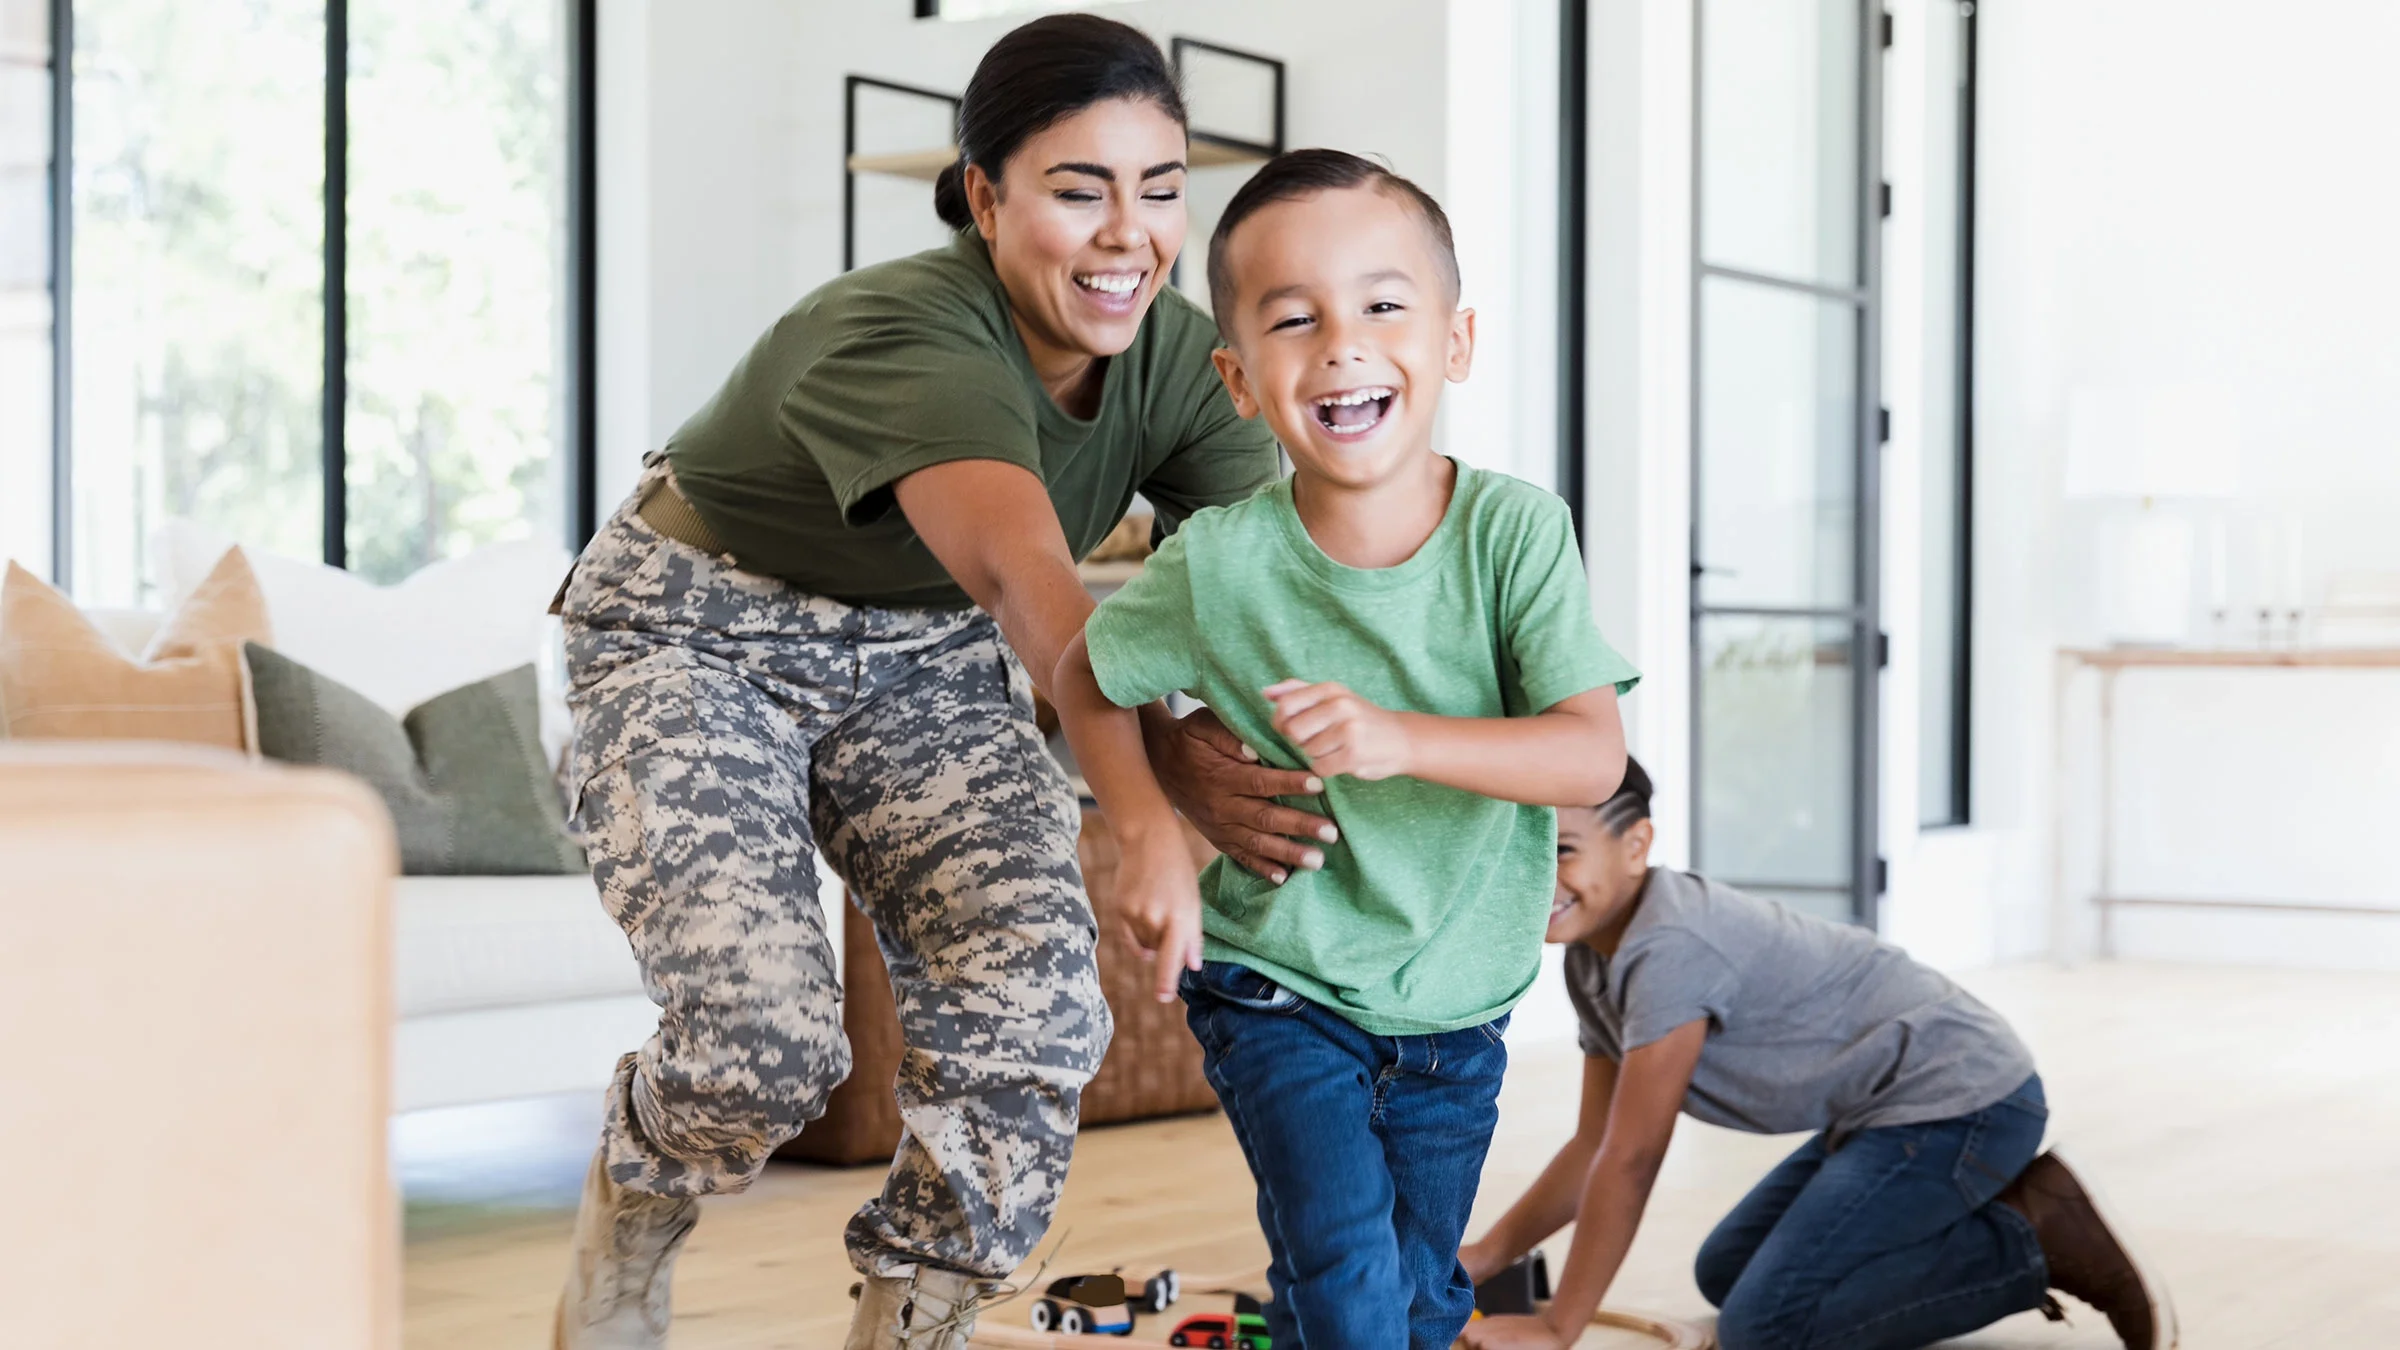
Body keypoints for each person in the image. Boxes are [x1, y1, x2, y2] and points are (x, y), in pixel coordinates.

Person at [547, 17, 1343, 1350]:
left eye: (1158, 189)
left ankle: (915, 1314)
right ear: (985, 196)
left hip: (923, 657)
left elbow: (1234, 610)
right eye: (1077, 190)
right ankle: (632, 1214)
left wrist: (1261, 746)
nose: (1125, 234)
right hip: (699, 627)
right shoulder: (904, 328)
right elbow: (1034, 596)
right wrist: (1150, 810)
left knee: (1037, 1011)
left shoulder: (1189, 368)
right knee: (764, 1042)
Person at [1051, 148, 1641, 1350]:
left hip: (1460, 1006)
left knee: (1424, 1297)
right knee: (1347, 1280)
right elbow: (1082, 679)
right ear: (1238, 379)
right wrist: (1151, 832)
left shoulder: (1516, 533)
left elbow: (1588, 758)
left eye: (1383, 304)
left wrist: (1399, 739)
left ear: (1455, 341)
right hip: (1281, 986)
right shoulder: (1218, 562)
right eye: (1294, 319)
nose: (1343, 344)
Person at [1458, 760, 2179, 1350]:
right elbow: (1593, 1142)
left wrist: (1560, 1325)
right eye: (1523, 853)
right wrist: (1487, 1255)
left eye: (1561, 852)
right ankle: (1966, 1219)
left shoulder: (1671, 948)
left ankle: (2033, 1240)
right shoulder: (1593, 961)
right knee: (1726, 1273)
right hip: (1885, 1111)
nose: (1539, 880)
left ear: (1637, 845)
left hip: (1966, 1102)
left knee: (1764, 1327)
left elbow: (1633, 1156)